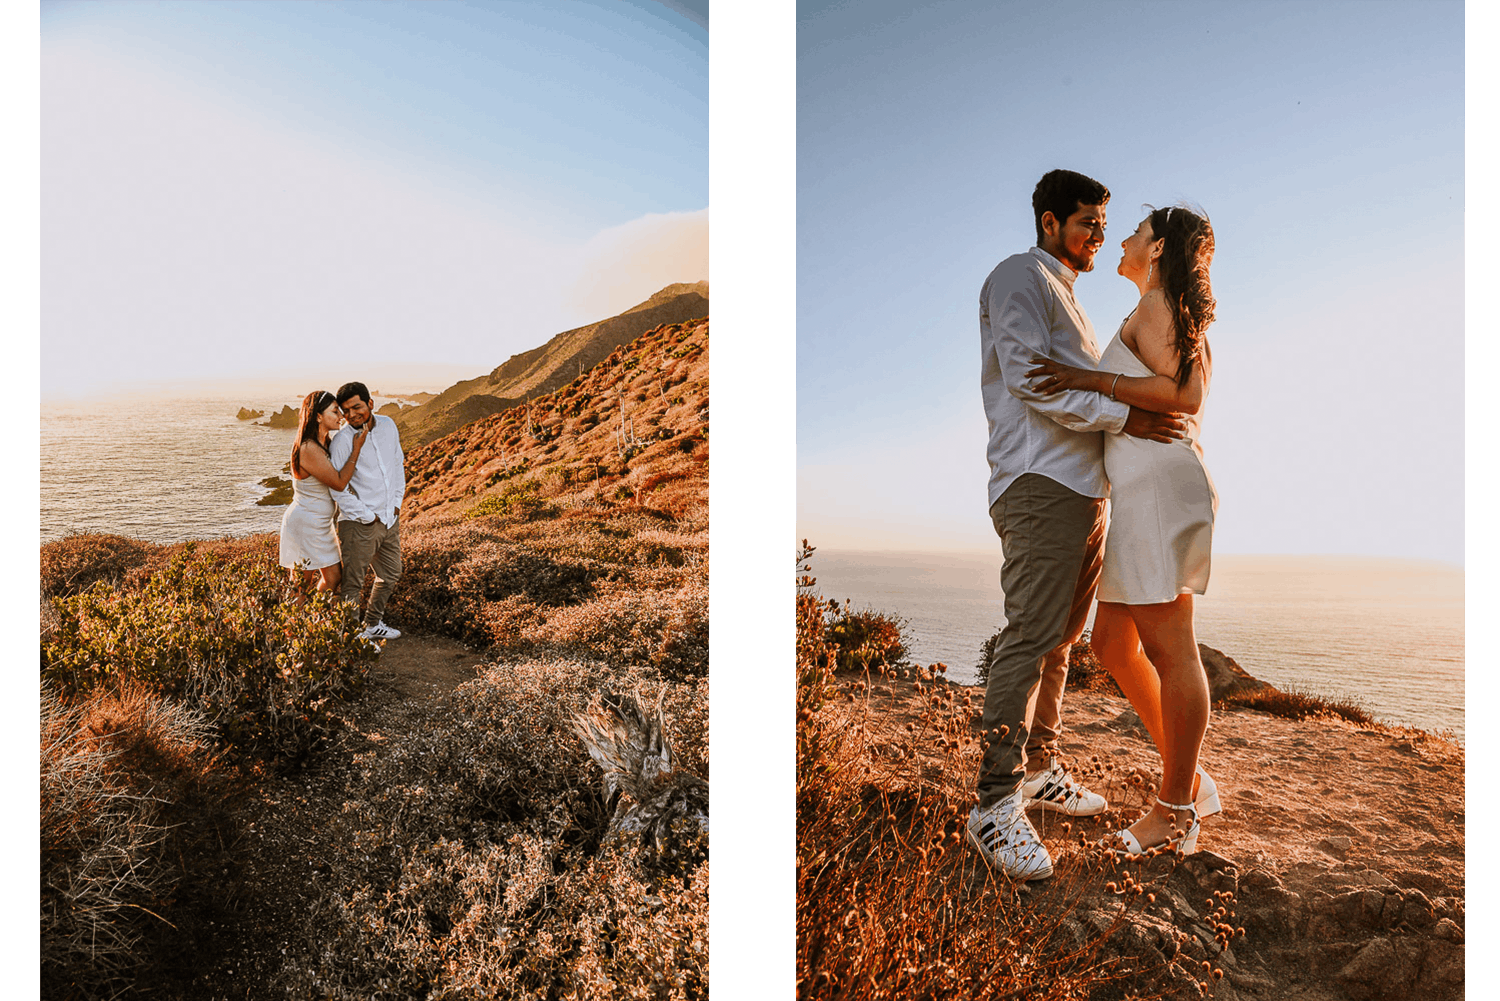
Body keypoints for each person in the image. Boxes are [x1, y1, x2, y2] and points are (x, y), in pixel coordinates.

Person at [967, 169, 1191, 881]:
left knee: (1061, 642)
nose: (1099, 234)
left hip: (1085, 490)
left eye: (1104, 224)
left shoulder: (1069, 296)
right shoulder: (1019, 277)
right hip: (1039, 482)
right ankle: (994, 803)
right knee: (1029, 636)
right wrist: (1128, 417)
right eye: (1088, 221)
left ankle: (1039, 768)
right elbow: (1031, 377)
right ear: (1049, 222)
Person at [1026, 203, 1222, 859]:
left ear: (1158, 247)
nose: (1123, 241)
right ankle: (1190, 778)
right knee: (1112, 643)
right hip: (1143, 493)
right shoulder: (1159, 307)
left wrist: (1088, 378)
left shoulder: (1161, 303)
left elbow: (1186, 396)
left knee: (1172, 648)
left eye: (1136, 233)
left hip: (1161, 491)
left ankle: (1175, 809)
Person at [327, 382, 406, 644]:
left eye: (357, 407)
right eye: (345, 410)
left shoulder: (388, 426)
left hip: (389, 518)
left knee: (391, 573)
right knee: (353, 583)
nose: (351, 415)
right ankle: (353, 638)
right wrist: (368, 516)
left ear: (370, 403)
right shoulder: (341, 441)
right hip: (359, 523)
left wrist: (396, 504)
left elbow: (397, 464)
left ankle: (372, 624)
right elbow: (337, 488)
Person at [279, 390, 369, 602]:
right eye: (335, 411)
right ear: (318, 416)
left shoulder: (325, 443)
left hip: (320, 523)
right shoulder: (308, 448)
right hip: (305, 523)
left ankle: (311, 614)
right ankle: (294, 620)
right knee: (301, 584)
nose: (341, 416)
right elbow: (338, 482)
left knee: (334, 577)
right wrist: (356, 449)